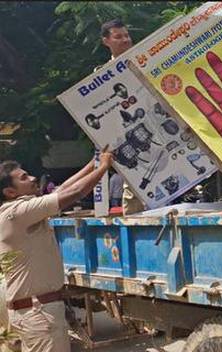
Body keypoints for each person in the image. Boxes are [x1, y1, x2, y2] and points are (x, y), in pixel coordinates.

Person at [0, 148, 114, 352]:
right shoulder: (16, 213)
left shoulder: (17, 211)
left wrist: (93, 164)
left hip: (35, 312)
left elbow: (60, 191)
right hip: (39, 314)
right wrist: (104, 167)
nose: (33, 178)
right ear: (10, 192)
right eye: (25, 177)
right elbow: (73, 193)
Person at [98, 19, 144, 215]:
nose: (125, 40)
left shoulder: (145, 60)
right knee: (133, 185)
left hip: (157, 127)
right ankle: (137, 231)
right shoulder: (99, 76)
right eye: (118, 37)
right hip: (126, 137)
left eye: (127, 35)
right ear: (106, 41)